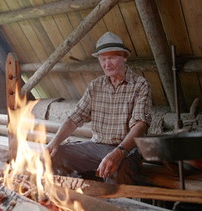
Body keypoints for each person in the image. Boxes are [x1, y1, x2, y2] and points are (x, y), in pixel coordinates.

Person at [46, 32, 152, 184]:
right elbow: (73, 119)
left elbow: (140, 125)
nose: (107, 64)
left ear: (124, 57)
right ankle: (68, 202)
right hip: (95, 146)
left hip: (127, 150)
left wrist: (119, 152)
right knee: (55, 156)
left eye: (112, 58)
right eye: (103, 59)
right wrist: (53, 143)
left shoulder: (140, 85)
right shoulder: (96, 86)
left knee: (116, 169)